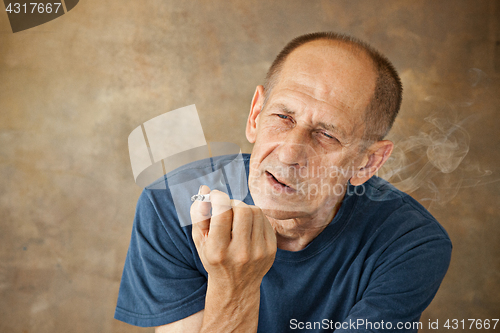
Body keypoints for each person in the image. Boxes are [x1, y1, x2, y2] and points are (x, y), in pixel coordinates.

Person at [114, 32, 452, 332]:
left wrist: (239, 282)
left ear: (367, 161)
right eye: (282, 117)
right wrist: (235, 286)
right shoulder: (172, 203)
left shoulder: (410, 243)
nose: (290, 154)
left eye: (326, 134)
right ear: (255, 115)